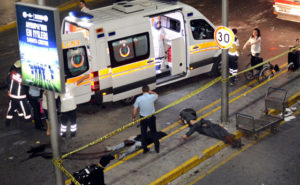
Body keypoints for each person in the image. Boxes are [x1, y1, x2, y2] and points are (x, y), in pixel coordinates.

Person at [132, 85, 160, 153]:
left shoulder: (139, 98)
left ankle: (145, 149)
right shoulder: (152, 96)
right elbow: (157, 95)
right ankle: (157, 149)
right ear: (148, 90)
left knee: (143, 133)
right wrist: (151, 92)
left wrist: (134, 117)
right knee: (153, 133)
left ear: (142, 91)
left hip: (143, 118)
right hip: (151, 117)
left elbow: (135, 109)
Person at [5, 60, 32, 127]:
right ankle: (27, 120)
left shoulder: (11, 73)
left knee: (11, 108)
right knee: (25, 107)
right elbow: (27, 85)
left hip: (12, 95)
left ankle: (7, 121)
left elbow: (6, 82)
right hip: (21, 96)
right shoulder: (25, 74)